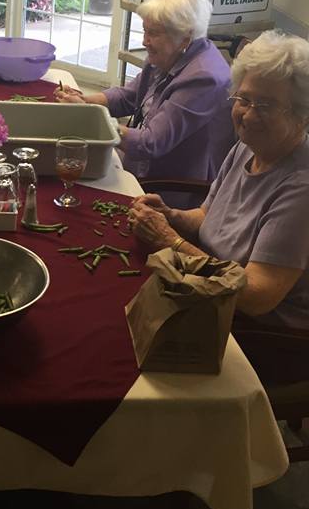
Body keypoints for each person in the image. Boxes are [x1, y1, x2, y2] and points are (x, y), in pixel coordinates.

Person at [128, 30, 309, 384]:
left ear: (302, 115)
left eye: (267, 105)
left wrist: (170, 240)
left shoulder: (301, 187)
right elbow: (208, 217)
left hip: (262, 335)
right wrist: (172, 216)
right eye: (244, 98)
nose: (248, 115)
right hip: (209, 295)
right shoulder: (249, 146)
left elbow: (257, 296)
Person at [54, 0, 234, 198]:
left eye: (153, 33)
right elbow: (130, 95)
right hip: (143, 166)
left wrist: (93, 116)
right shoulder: (170, 53)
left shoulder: (204, 79)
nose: (144, 41)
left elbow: (151, 143)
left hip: (172, 187)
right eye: (145, 31)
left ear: (185, 38)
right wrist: (85, 100)